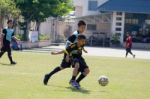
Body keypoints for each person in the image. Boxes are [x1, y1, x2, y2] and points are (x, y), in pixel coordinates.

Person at [43, 20, 87, 85]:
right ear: (78, 27)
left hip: (74, 55)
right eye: (82, 27)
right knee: (62, 67)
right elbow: (68, 44)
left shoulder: (80, 35)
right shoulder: (75, 35)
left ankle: (73, 81)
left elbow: (79, 45)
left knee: (78, 66)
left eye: (84, 28)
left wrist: (82, 49)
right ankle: (48, 75)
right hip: (69, 54)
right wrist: (67, 55)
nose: (83, 29)